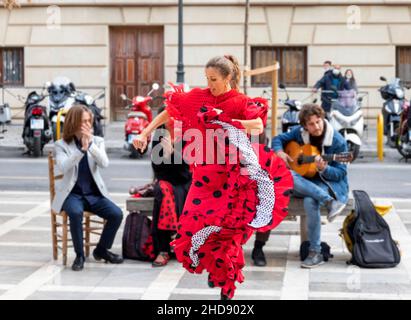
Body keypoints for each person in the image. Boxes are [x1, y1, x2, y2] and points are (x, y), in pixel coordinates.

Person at [133, 55, 293, 299]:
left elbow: (258, 126)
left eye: (215, 79)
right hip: (203, 178)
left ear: (228, 77)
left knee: (227, 232)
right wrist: (144, 133)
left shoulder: (239, 101)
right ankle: (213, 266)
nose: (211, 83)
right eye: (207, 78)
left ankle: (227, 286)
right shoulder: (199, 96)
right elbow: (170, 110)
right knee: (191, 226)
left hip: (231, 179)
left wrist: (226, 119)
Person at [272, 104, 349, 268]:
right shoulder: (300, 134)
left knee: (309, 201)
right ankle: (329, 202)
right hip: (309, 182)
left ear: (323, 119)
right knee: (286, 174)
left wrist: (325, 168)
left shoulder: (337, 141)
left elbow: (341, 174)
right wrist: (279, 152)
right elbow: (278, 139)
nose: (316, 127)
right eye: (311, 124)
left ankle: (315, 252)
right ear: (304, 126)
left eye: (318, 122)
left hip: (331, 184)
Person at [52, 105, 123, 271]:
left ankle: (101, 250)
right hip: (72, 195)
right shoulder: (61, 144)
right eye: (83, 121)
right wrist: (81, 151)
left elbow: (104, 163)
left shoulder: (97, 141)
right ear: (74, 122)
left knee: (116, 214)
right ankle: (79, 256)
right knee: (75, 213)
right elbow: (62, 167)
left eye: (89, 121)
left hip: (93, 194)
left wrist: (90, 146)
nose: (87, 124)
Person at [150, 108, 192, 267]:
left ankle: (185, 244)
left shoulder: (188, 136)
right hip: (166, 180)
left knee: (188, 195)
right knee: (162, 193)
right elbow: (158, 169)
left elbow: (187, 171)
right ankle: (163, 248)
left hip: (185, 181)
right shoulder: (158, 138)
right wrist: (165, 155)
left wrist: (173, 153)